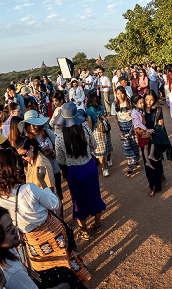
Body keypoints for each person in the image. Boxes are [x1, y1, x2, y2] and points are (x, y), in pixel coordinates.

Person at [0, 148, 90, 282]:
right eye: (16, 163)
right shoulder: (29, 189)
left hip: (31, 241)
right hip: (53, 233)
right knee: (66, 260)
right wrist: (42, 182)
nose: (19, 165)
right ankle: (76, 279)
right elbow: (54, 204)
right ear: (13, 169)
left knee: (47, 268)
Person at [0, 206, 81, 289]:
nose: (15, 229)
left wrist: (27, 270)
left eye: (12, 224)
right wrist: (60, 287)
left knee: (64, 272)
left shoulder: (2, 249)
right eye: (9, 229)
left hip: (28, 278)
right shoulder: (13, 273)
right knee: (68, 278)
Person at [54, 102, 106, 241]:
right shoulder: (86, 131)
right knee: (95, 196)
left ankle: (85, 232)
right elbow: (94, 146)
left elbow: (60, 160)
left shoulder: (59, 139)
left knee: (78, 201)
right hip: (90, 167)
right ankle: (98, 225)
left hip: (74, 173)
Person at [143, 90, 172, 196]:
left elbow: (161, 126)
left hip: (156, 139)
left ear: (154, 99)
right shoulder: (140, 110)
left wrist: (153, 132)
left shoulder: (158, 110)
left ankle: (159, 178)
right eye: (147, 100)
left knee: (157, 160)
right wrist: (146, 132)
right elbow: (137, 124)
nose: (148, 102)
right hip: (145, 139)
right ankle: (152, 185)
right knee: (148, 164)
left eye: (151, 100)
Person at [111, 86, 142, 176]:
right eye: (118, 94)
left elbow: (136, 114)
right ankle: (130, 166)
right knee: (126, 147)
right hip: (122, 127)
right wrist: (119, 131)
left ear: (124, 93)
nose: (120, 95)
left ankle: (135, 160)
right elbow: (115, 119)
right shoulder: (114, 105)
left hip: (132, 125)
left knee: (135, 144)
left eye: (121, 93)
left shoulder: (130, 102)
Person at [85, 92, 113, 177]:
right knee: (107, 144)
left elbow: (90, 122)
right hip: (105, 129)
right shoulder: (101, 107)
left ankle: (104, 169)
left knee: (100, 150)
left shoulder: (88, 110)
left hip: (97, 131)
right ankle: (109, 160)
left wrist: (89, 133)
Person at [130, 94, 156, 168]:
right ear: (135, 104)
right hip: (140, 130)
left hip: (142, 128)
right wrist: (147, 130)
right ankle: (149, 158)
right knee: (147, 144)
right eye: (140, 103)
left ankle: (149, 158)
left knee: (147, 145)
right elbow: (138, 124)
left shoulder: (139, 109)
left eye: (142, 102)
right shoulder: (134, 113)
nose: (142, 104)